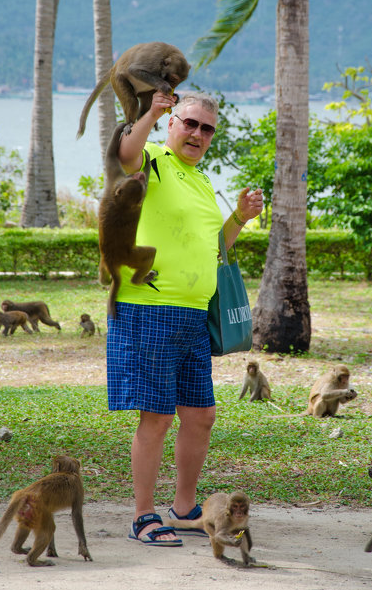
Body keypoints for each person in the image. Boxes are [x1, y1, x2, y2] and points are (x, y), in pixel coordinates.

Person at [107, 89, 264, 546]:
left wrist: (239, 216)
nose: (197, 133)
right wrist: (151, 113)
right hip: (149, 308)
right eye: (189, 123)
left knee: (200, 415)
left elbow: (218, 247)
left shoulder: (200, 180)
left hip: (194, 316)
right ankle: (142, 516)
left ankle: (183, 509)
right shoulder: (152, 158)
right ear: (173, 123)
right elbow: (125, 152)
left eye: (207, 128)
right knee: (155, 416)